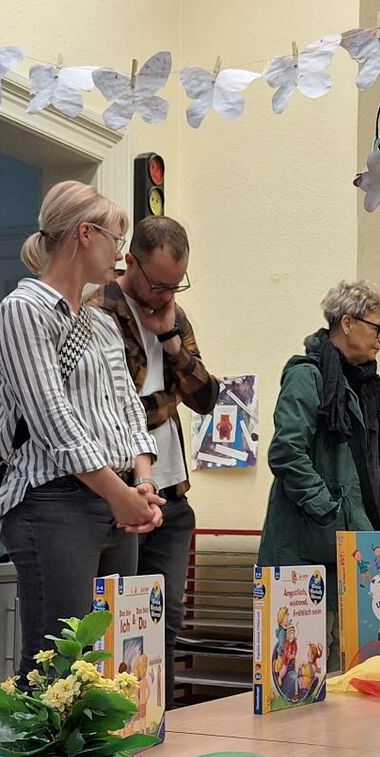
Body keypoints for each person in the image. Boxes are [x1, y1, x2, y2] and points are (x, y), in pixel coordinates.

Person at [0, 181, 161, 655]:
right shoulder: (23, 311)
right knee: (59, 663)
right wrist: (121, 496)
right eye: (117, 240)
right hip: (54, 502)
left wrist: (143, 483)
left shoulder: (100, 321)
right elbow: (53, 421)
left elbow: (129, 408)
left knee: (113, 659)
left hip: (116, 501)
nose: (122, 256)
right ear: (85, 234)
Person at [84, 216, 217, 702]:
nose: (166, 296)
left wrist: (170, 341)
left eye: (176, 285)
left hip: (172, 493)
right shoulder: (97, 310)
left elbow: (206, 398)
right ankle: (115, 725)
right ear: (130, 262)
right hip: (119, 494)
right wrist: (167, 398)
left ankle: (158, 722)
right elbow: (113, 409)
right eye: (158, 285)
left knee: (166, 620)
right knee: (118, 623)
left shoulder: (174, 317)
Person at [258, 280, 380, 579]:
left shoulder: (373, 389)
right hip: (310, 552)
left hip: (363, 542)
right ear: (348, 323)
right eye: (378, 328)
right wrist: (330, 510)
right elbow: (286, 453)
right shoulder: (307, 377)